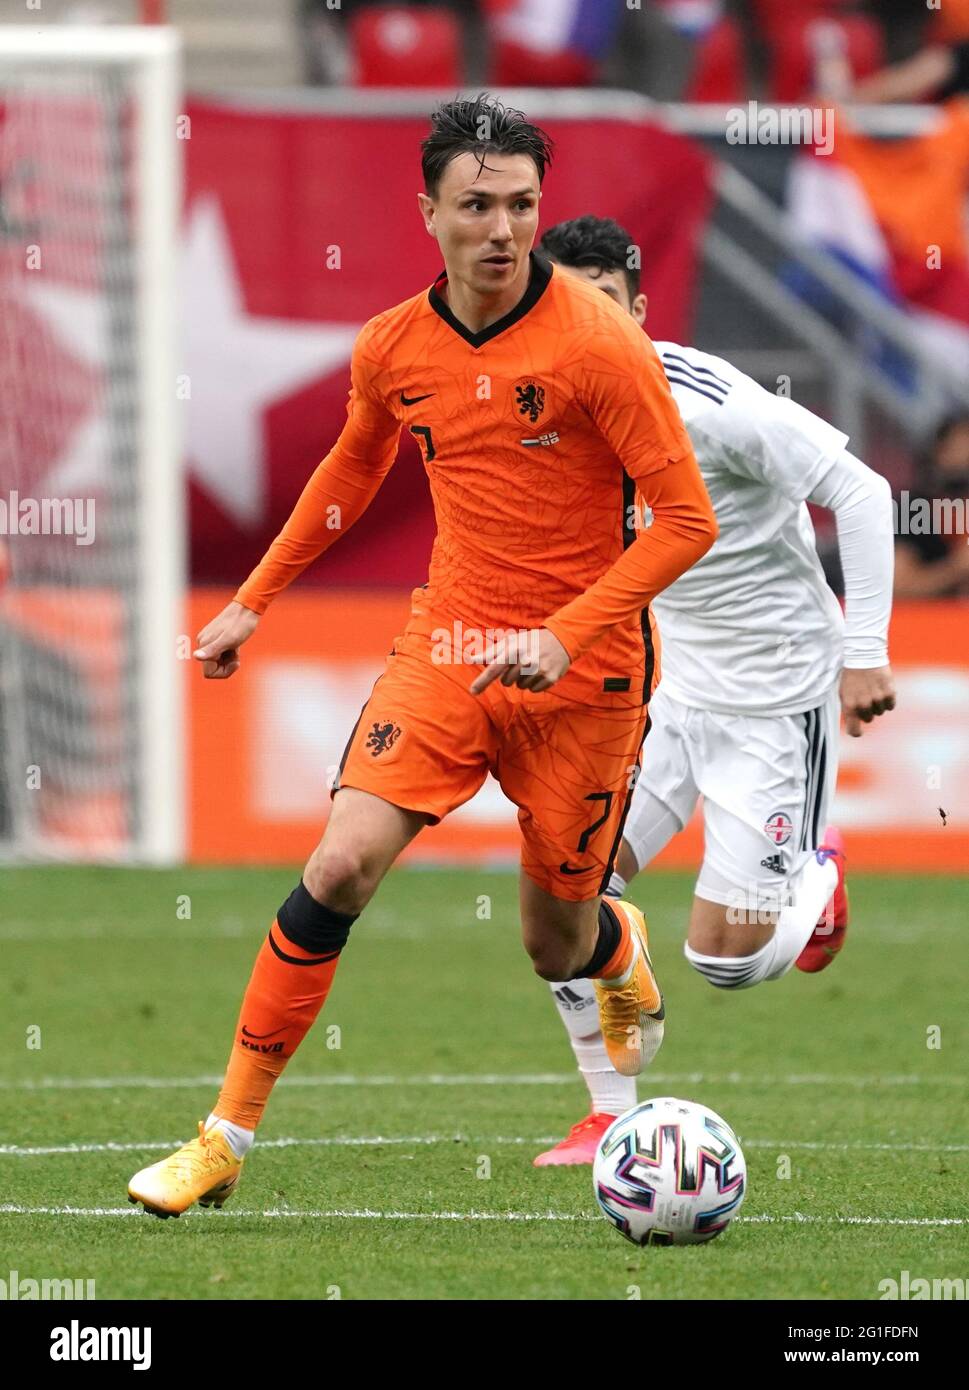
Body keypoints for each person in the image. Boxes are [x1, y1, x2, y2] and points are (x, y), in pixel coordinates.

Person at [127, 98, 718, 1217]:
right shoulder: (393, 344)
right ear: (429, 213)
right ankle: (223, 1136)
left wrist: (566, 632)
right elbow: (350, 475)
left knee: (555, 941)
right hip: (448, 645)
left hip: (584, 675)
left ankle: (609, 937)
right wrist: (254, 601)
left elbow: (689, 521)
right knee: (340, 863)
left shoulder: (603, 347)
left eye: (522, 206)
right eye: (478, 206)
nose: (504, 229)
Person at [533, 215, 896, 1166]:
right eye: (568, 305)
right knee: (563, 886)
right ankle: (610, 1111)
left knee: (721, 963)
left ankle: (815, 879)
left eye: (605, 304)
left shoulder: (713, 402)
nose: (589, 325)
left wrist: (864, 654)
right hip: (664, 691)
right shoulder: (547, 410)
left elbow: (861, 493)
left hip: (777, 696)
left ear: (639, 310)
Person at [894, 414, 969, 598]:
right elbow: (898, 586)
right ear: (939, 453)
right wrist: (956, 568)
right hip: (934, 621)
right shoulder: (914, 508)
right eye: (958, 448)